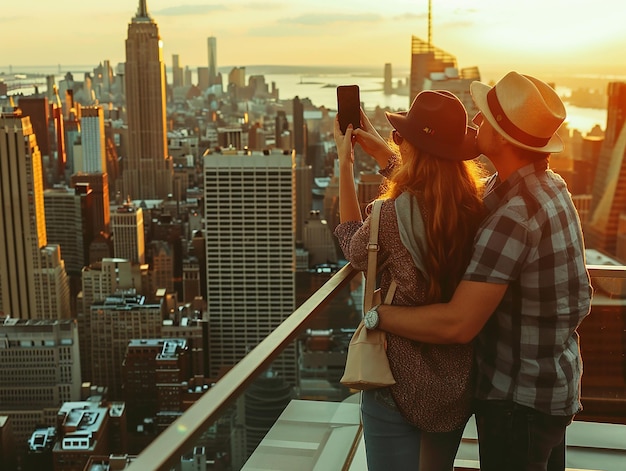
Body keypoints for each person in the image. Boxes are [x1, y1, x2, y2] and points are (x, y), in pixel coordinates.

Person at [368, 72, 593, 471]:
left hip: (517, 403)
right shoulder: (543, 187)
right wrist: (390, 158)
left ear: (504, 139)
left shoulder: (516, 215)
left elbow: (458, 325)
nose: (476, 122)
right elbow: (447, 200)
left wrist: (377, 317)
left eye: (486, 118)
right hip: (550, 387)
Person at [334, 90, 486, 470]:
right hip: (455, 384)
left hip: (395, 380)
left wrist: (345, 164)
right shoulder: (481, 207)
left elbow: (354, 246)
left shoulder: (388, 216)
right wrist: (385, 154)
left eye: (400, 138)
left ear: (412, 148)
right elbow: (431, 190)